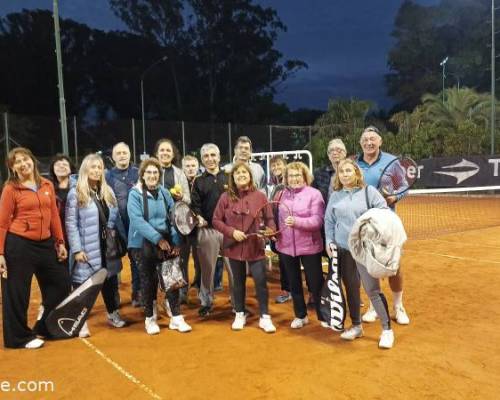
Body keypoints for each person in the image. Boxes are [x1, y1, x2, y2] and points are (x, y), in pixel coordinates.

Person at [0, 147, 70, 349]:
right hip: (19, 245)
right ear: (13, 168)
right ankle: (18, 338)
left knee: (61, 283)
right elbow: (3, 223)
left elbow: (54, 216)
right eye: (17, 162)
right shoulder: (10, 189)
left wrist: (59, 242)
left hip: (46, 244)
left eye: (25, 159)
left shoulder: (47, 184)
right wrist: (1, 254)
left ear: (33, 160)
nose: (23, 164)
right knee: (17, 292)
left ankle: (44, 326)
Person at [324, 159, 395, 349]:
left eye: (349, 170)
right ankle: (356, 326)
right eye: (341, 172)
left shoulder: (368, 192)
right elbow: (329, 222)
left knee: (372, 290)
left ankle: (387, 330)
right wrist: (329, 242)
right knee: (351, 289)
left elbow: (383, 212)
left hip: (364, 249)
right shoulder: (335, 196)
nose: (345, 174)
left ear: (356, 173)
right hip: (343, 250)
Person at [127, 158, 191, 335]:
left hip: (165, 241)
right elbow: (137, 220)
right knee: (148, 281)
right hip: (141, 244)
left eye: (155, 172)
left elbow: (174, 217)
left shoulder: (164, 193)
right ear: (142, 174)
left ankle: (176, 318)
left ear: (159, 175)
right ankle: (150, 318)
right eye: (149, 172)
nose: (152, 175)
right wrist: (157, 239)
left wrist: (175, 241)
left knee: (172, 279)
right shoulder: (135, 194)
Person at [66, 154, 126, 338]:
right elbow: (71, 223)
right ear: (85, 169)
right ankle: (80, 321)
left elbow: (113, 215)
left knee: (109, 283)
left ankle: (113, 313)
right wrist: (76, 250)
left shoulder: (107, 191)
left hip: (106, 247)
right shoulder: (76, 193)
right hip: (86, 248)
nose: (96, 171)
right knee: (84, 287)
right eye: (92, 167)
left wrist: (108, 231)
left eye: (99, 167)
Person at [213, 162, 276, 333]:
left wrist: (269, 231)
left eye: (244, 172)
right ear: (232, 178)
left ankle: (265, 316)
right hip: (234, 248)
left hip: (255, 246)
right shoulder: (225, 197)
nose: (241, 175)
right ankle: (239, 313)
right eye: (237, 173)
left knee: (261, 281)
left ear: (250, 176)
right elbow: (216, 220)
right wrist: (231, 232)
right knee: (238, 283)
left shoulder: (261, 196)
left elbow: (270, 219)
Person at [356, 126, 410, 325]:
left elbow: (404, 186)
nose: (369, 142)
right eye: (365, 139)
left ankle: (398, 306)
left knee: (395, 265)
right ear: (361, 142)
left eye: (373, 139)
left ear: (380, 141)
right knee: (370, 266)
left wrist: (395, 197)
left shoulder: (392, 161)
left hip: (387, 222)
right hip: (366, 223)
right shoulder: (355, 162)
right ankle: (374, 305)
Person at [274, 162, 326, 329]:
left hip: (310, 247)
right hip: (286, 247)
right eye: (291, 175)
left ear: (305, 176)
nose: (294, 178)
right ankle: (300, 315)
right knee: (294, 283)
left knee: (316, 283)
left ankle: (323, 315)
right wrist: (273, 233)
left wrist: (297, 222)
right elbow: (276, 219)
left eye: (298, 175)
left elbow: (318, 221)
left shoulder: (315, 194)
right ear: (286, 178)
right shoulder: (280, 195)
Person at [191, 144, 234, 317]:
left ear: (219, 157)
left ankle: (236, 300)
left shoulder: (229, 177)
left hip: (230, 230)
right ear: (202, 159)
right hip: (208, 230)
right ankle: (206, 302)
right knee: (207, 269)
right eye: (206, 156)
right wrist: (199, 217)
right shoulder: (199, 181)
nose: (210, 159)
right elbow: (195, 206)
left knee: (234, 268)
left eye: (213, 155)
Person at [105, 142, 141, 306]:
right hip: (115, 226)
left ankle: (137, 293)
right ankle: (114, 297)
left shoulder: (138, 172)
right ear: (113, 157)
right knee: (112, 262)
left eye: (124, 152)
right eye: (118, 153)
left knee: (136, 260)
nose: (122, 155)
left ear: (130, 154)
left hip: (135, 225)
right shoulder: (107, 176)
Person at [268, 155, 291, 304]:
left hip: (290, 230)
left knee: (290, 263)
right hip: (279, 231)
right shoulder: (274, 186)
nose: (276, 168)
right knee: (284, 263)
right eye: (273, 166)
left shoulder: (289, 184)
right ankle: (287, 291)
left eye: (279, 165)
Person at [179, 155, 201, 301]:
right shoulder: (178, 184)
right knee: (183, 259)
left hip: (199, 227)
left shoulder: (201, 181)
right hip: (183, 228)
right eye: (187, 166)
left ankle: (199, 286)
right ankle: (183, 290)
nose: (190, 168)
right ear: (183, 168)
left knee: (199, 260)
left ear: (198, 166)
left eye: (193, 165)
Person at [154, 138, 190, 204]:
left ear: (173, 155)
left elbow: (188, 199)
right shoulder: (148, 172)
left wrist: (181, 197)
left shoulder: (180, 174)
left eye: (168, 150)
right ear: (157, 154)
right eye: (162, 150)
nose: (165, 153)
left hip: (174, 213)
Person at [312, 138, 347, 204]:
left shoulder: (352, 171)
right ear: (328, 155)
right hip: (325, 211)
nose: (334, 153)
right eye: (331, 150)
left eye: (338, 150)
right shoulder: (319, 173)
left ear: (345, 153)